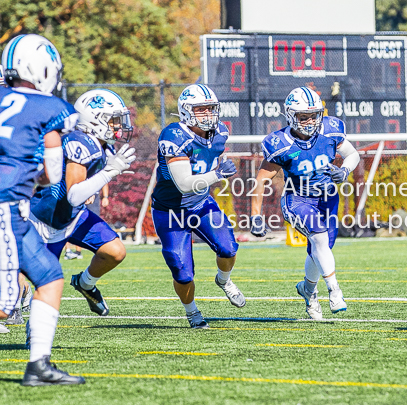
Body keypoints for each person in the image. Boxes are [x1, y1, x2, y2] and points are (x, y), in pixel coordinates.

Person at [0, 34, 85, 385]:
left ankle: (38, 365)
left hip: (15, 212)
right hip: (5, 207)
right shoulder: (52, 108)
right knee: (4, 306)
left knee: (49, 276)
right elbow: (52, 173)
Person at [250, 87, 360, 320]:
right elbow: (260, 181)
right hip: (297, 198)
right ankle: (334, 291)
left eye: (314, 115)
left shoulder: (330, 129)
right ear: (291, 116)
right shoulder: (280, 142)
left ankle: (308, 291)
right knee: (319, 238)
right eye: (303, 117)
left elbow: (353, 154)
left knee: (319, 249)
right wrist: (256, 216)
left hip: (328, 197)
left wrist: (344, 170)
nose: (310, 121)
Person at [29, 89, 135, 317]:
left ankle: (85, 283)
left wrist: (93, 186)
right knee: (35, 283)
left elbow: (79, 191)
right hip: (47, 218)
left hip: (73, 215)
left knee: (114, 251)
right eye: (113, 120)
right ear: (94, 120)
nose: (119, 126)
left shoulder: (101, 144)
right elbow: (74, 195)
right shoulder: (80, 142)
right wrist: (109, 172)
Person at [151, 84, 243, 329]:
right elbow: (183, 184)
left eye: (210, 109)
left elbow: (213, 157)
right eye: (200, 110)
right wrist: (218, 174)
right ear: (185, 112)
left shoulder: (219, 132)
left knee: (228, 248)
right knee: (182, 270)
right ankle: (191, 311)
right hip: (170, 211)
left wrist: (219, 166)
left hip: (201, 205)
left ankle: (224, 281)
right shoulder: (174, 136)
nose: (207, 115)